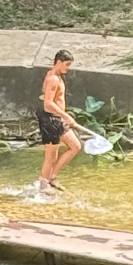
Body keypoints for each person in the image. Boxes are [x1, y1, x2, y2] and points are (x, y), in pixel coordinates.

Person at [37, 50, 88, 196]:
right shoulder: (53, 78)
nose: (68, 68)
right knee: (51, 157)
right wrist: (66, 116)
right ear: (58, 62)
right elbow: (47, 104)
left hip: (58, 119)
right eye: (66, 65)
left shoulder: (57, 76)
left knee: (75, 146)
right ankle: (44, 184)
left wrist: (63, 116)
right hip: (51, 120)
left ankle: (51, 177)